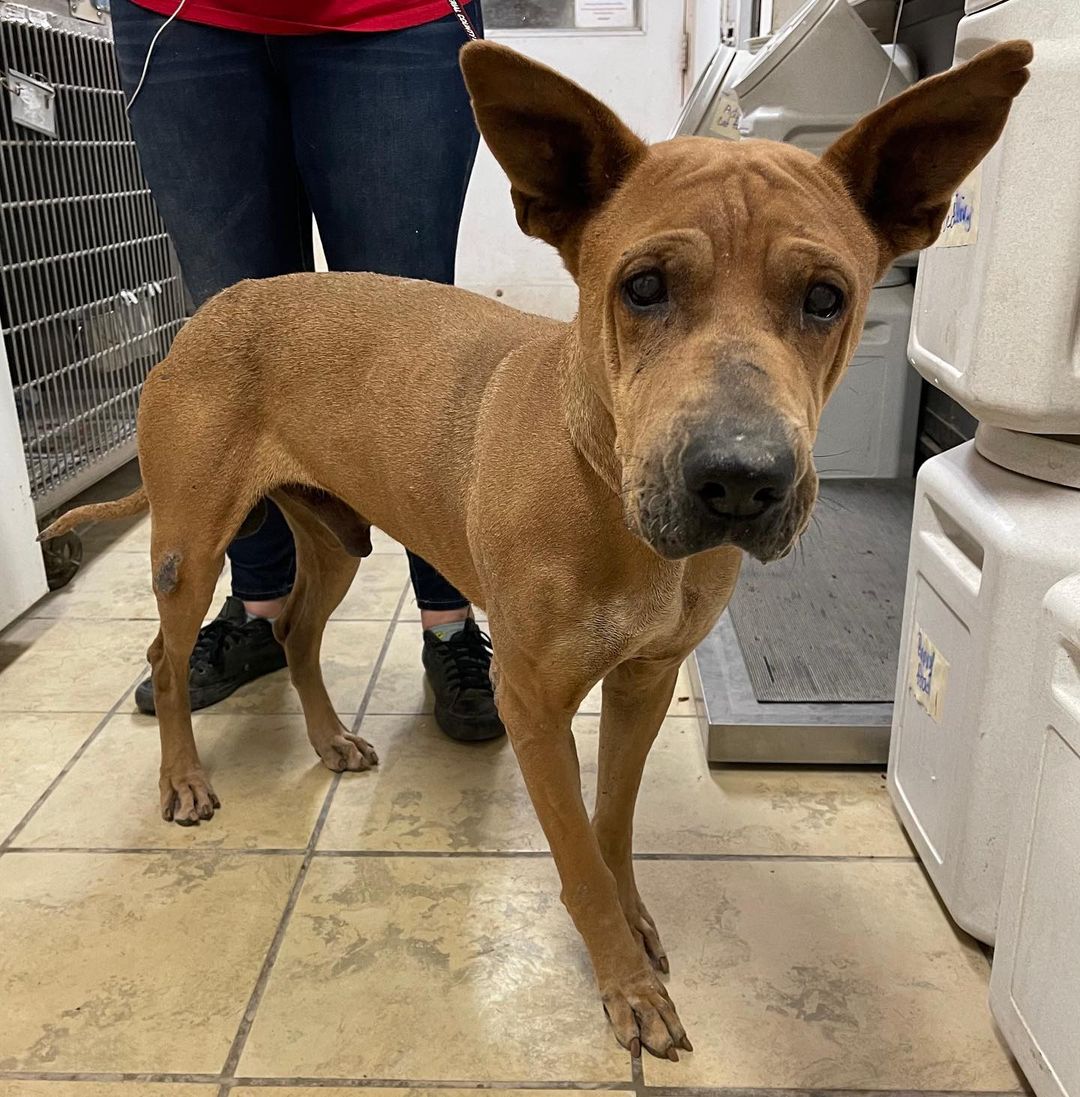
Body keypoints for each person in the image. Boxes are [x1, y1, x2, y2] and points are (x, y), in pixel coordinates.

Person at [112, 0, 504, 742]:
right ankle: (259, 609)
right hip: (184, 15)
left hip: (394, 13)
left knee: (420, 357)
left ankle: (449, 626)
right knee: (231, 349)